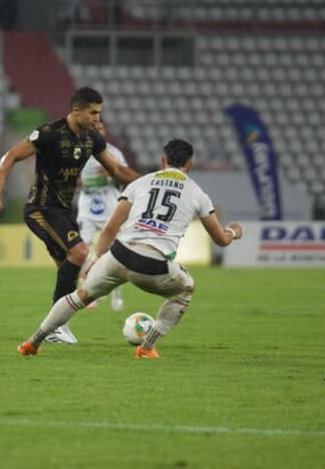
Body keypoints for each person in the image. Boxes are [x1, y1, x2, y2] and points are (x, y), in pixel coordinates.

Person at [17, 138, 243, 358]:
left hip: (119, 254)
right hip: (152, 264)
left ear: (163, 160)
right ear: (189, 165)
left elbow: (110, 228)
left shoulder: (141, 182)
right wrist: (232, 232)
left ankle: (32, 342)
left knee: (80, 296)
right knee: (186, 289)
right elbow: (220, 239)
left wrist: (95, 260)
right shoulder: (197, 194)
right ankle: (147, 347)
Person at [0, 86, 139, 344]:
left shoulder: (92, 139)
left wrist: (148, 182)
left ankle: (56, 328)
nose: (98, 118)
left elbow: (117, 171)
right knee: (79, 253)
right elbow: (10, 157)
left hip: (64, 211)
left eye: (99, 113)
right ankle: (56, 328)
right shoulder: (50, 133)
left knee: (68, 267)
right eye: (93, 113)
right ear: (76, 111)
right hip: (40, 208)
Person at [77, 120, 127, 311]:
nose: (97, 131)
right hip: (87, 208)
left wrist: (111, 172)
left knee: (114, 253)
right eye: (93, 128)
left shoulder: (114, 153)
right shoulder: (79, 152)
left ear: (105, 131)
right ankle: (87, 293)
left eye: (100, 128)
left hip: (110, 208)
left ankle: (117, 296)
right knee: (80, 250)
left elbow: (125, 176)